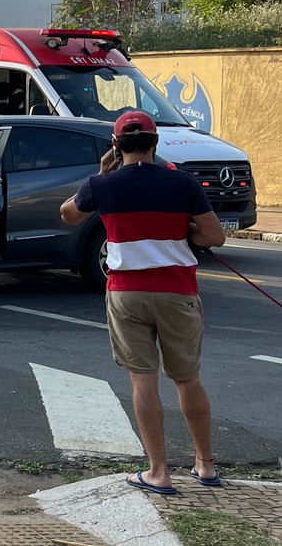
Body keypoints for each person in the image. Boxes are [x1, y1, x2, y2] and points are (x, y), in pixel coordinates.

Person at [59, 110, 226, 495]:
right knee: (187, 379)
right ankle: (205, 465)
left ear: (116, 147)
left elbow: (68, 214)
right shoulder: (182, 184)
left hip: (126, 293)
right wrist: (191, 237)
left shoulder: (102, 185)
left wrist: (101, 173)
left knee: (143, 381)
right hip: (178, 291)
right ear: (155, 143)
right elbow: (214, 236)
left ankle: (158, 471)